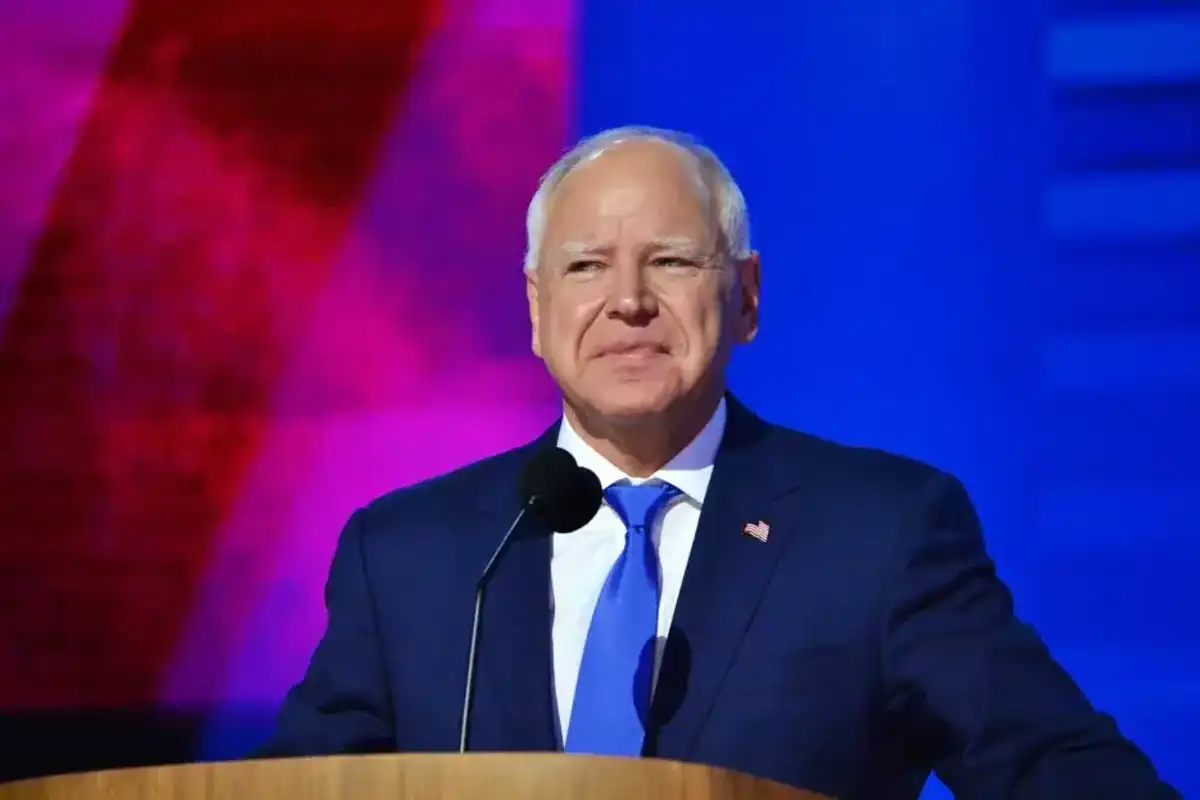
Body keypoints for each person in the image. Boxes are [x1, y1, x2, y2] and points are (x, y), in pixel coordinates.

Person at [260, 126, 1179, 799]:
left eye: (669, 261)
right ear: (536, 312)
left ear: (743, 297)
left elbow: (1066, 774)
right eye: (586, 268)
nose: (627, 301)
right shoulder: (411, 553)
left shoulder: (879, 534)